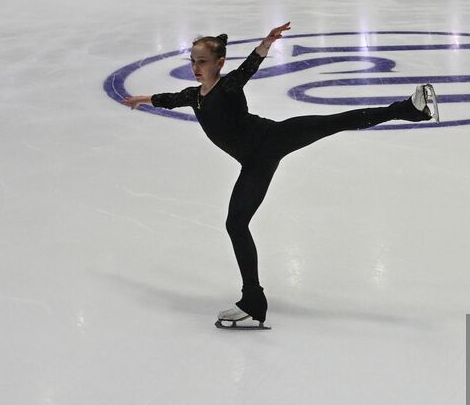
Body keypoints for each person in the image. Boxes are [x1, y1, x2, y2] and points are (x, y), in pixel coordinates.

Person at [122, 24, 438, 328]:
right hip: (254, 163)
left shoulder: (228, 87)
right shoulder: (195, 95)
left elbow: (247, 69)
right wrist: (142, 99)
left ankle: (411, 108)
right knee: (235, 223)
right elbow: (169, 99)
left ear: (219, 63)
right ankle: (254, 303)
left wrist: (265, 45)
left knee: (336, 121)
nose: (195, 67)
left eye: (202, 62)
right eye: (192, 61)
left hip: (272, 139)